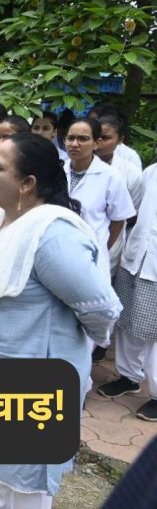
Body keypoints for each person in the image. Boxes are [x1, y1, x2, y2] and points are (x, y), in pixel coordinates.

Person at [0, 132, 121, 507]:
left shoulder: (51, 236)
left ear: (27, 184)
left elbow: (101, 309)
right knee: (11, 477)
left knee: (30, 482)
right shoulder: (1, 221)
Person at [98, 164, 157, 420]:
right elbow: (133, 211)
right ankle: (129, 377)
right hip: (136, 257)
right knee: (127, 321)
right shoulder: (151, 172)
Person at [65, 117, 135, 276]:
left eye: (83, 139)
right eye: (70, 138)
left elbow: (118, 220)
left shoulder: (110, 176)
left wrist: (101, 247)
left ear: (96, 143)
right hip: (58, 254)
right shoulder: (57, 172)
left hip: (91, 259)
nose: (75, 144)